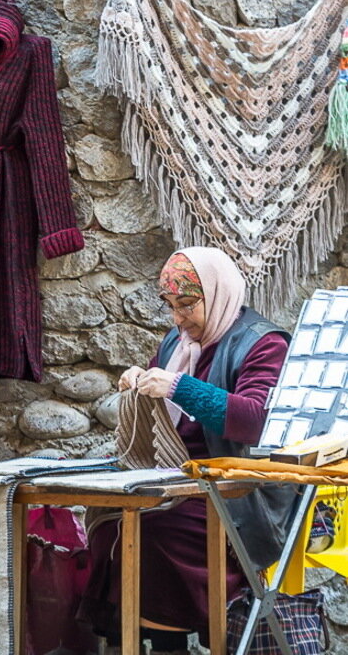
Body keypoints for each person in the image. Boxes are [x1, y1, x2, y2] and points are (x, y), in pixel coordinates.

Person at [80, 246, 292, 655]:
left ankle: (166, 647)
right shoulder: (176, 343)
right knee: (110, 521)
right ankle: (144, 641)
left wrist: (178, 387)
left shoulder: (263, 345)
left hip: (239, 495)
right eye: (171, 307)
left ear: (217, 293)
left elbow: (256, 420)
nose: (177, 318)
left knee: (155, 529)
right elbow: (157, 386)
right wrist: (138, 379)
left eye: (187, 305)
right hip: (183, 482)